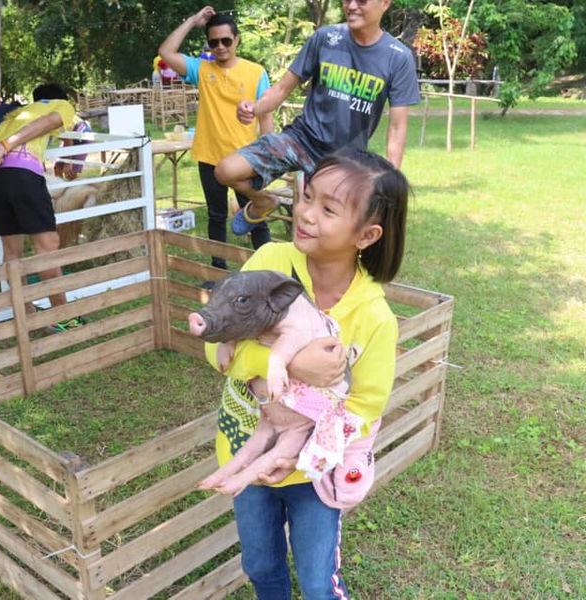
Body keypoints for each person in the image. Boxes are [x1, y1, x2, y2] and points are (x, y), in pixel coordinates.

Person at [204, 148, 408, 598]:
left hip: (315, 472)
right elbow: (216, 349)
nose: (306, 214)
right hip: (243, 442)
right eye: (307, 196)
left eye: (328, 209)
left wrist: (298, 451)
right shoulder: (270, 263)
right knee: (260, 565)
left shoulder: (374, 317)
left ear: (367, 235)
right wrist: (291, 364)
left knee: (318, 583)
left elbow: (366, 405)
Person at [214, 0, 419, 237]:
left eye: (361, 0)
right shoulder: (325, 38)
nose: (351, 6)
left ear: (385, 3)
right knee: (225, 170)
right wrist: (255, 108)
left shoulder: (398, 57)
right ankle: (262, 202)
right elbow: (282, 89)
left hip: (344, 159)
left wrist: (390, 181)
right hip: (299, 139)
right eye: (346, 0)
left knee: (326, 233)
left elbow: (397, 128)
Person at [158, 6, 274, 273]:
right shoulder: (201, 69)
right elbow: (165, 52)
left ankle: (268, 272)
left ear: (237, 40)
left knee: (256, 213)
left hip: (246, 158)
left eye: (226, 41)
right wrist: (192, 21)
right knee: (217, 216)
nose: (220, 47)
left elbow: (266, 116)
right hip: (210, 156)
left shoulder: (256, 72)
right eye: (213, 42)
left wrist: (269, 159)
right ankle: (218, 271)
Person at [0, 83, 84, 332]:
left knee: (12, 251)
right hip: (23, 173)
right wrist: (7, 145)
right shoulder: (62, 105)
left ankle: (25, 314)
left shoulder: (14, 113)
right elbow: (50, 123)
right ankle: (64, 318)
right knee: (47, 247)